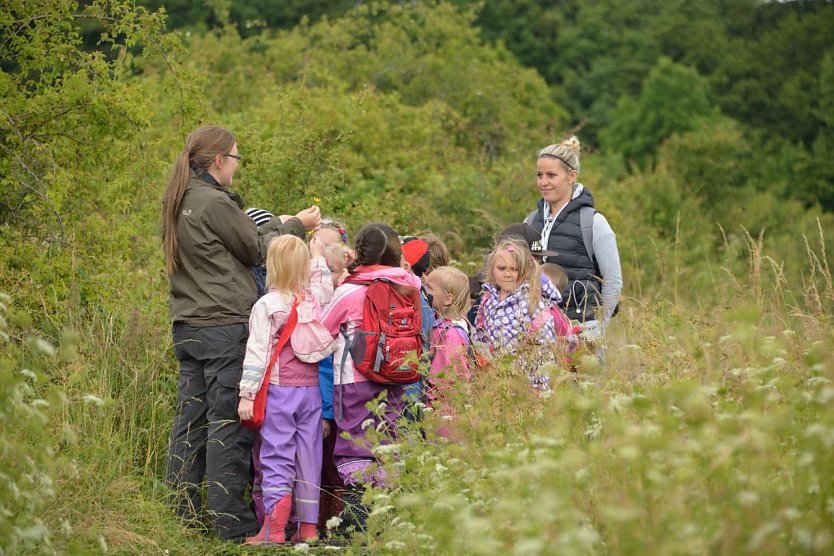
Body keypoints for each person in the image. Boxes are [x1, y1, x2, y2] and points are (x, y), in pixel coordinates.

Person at [161, 125, 321, 542]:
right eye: (235, 158)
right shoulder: (213, 201)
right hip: (222, 325)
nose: (236, 165)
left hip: (188, 325)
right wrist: (293, 226)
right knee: (227, 425)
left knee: (190, 424)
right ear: (218, 160)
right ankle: (232, 525)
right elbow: (257, 249)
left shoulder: (180, 198)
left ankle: (183, 515)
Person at [320, 224, 422, 529]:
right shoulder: (408, 287)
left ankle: (357, 520)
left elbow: (322, 332)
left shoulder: (350, 290)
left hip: (354, 378)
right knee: (385, 442)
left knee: (354, 445)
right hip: (395, 377)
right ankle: (386, 520)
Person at [238, 234, 334, 545]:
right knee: (309, 457)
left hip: (280, 393)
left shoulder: (268, 305)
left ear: (272, 266)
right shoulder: (312, 300)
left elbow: (257, 353)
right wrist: (318, 257)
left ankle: (274, 529)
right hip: (310, 394)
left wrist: (247, 395)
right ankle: (307, 529)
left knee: (277, 456)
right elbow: (325, 287)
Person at [527, 136, 622, 353]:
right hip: (539, 334)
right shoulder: (531, 221)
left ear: (572, 176)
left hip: (582, 332)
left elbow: (613, 282)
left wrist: (598, 327)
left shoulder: (593, 222)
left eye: (551, 175)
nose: (543, 182)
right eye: (539, 175)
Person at [473, 238, 561, 391]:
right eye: (501, 268)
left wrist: (538, 388)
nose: (507, 274)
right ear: (492, 268)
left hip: (524, 385)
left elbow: (545, 351)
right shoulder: (487, 300)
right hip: (492, 383)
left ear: (525, 271)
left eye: (514, 269)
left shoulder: (533, 303)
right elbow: (480, 336)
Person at [423, 266, 472, 437]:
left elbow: (447, 379)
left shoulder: (451, 334)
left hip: (445, 413)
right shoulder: (438, 324)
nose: (424, 290)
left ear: (447, 299)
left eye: (429, 287)